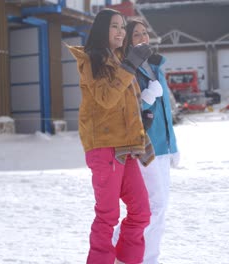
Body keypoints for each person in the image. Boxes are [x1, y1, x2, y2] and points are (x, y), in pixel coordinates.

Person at [67, 9, 155, 264]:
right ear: (102, 29)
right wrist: (129, 65)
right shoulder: (89, 60)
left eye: (123, 27)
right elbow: (106, 98)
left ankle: (127, 260)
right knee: (107, 216)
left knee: (141, 211)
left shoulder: (119, 59)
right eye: (115, 26)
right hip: (104, 147)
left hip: (126, 145)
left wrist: (141, 120)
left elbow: (125, 103)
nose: (121, 32)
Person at [113, 19, 179, 264]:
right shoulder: (127, 68)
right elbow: (128, 109)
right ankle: (118, 245)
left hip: (164, 146)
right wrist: (149, 96)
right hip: (144, 146)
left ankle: (148, 258)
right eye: (136, 34)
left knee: (160, 211)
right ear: (128, 40)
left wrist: (174, 145)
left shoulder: (155, 66)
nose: (142, 37)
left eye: (144, 33)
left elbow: (166, 113)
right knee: (152, 207)